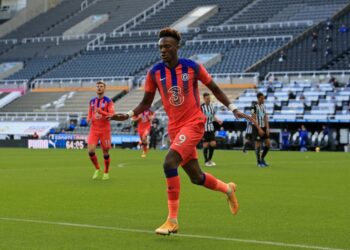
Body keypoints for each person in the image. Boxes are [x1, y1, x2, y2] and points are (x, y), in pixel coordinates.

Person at [108, 27, 254, 235]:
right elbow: (146, 102)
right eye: (160, 47)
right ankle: (228, 189)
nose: (163, 50)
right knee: (196, 177)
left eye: (167, 46)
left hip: (194, 123)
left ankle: (172, 220)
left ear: (177, 47)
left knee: (169, 163)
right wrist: (128, 114)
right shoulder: (154, 73)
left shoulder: (193, 67)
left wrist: (234, 109)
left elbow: (214, 89)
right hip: (175, 128)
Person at [87, 81, 115, 180]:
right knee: (90, 151)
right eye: (97, 86)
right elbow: (90, 111)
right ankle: (97, 168)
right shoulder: (92, 101)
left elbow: (112, 114)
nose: (99, 88)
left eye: (101, 86)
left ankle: (106, 172)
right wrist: (89, 118)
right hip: (94, 129)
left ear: (104, 88)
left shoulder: (109, 101)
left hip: (105, 130)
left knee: (106, 153)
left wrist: (101, 111)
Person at [201, 93, 222, 167]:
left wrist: (218, 120)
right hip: (204, 128)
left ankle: (209, 160)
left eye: (209, 98)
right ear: (204, 99)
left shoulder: (211, 106)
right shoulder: (201, 107)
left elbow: (212, 116)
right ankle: (206, 161)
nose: (209, 100)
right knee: (206, 145)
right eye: (207, 98)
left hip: (211, 127)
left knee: (213, 144)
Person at [251, 92, 270, 167]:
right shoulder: (254, 107)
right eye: (262, 98)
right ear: (258, 98)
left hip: (264, 127)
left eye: (264, 98)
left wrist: (267, 128)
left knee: (268, 143)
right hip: (256, 127)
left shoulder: (263, 106)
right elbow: (253, 119)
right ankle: (258, 162)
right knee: (258, 144)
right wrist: (259, 129)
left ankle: (262, 158)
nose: (263, 100)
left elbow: (265, 117)